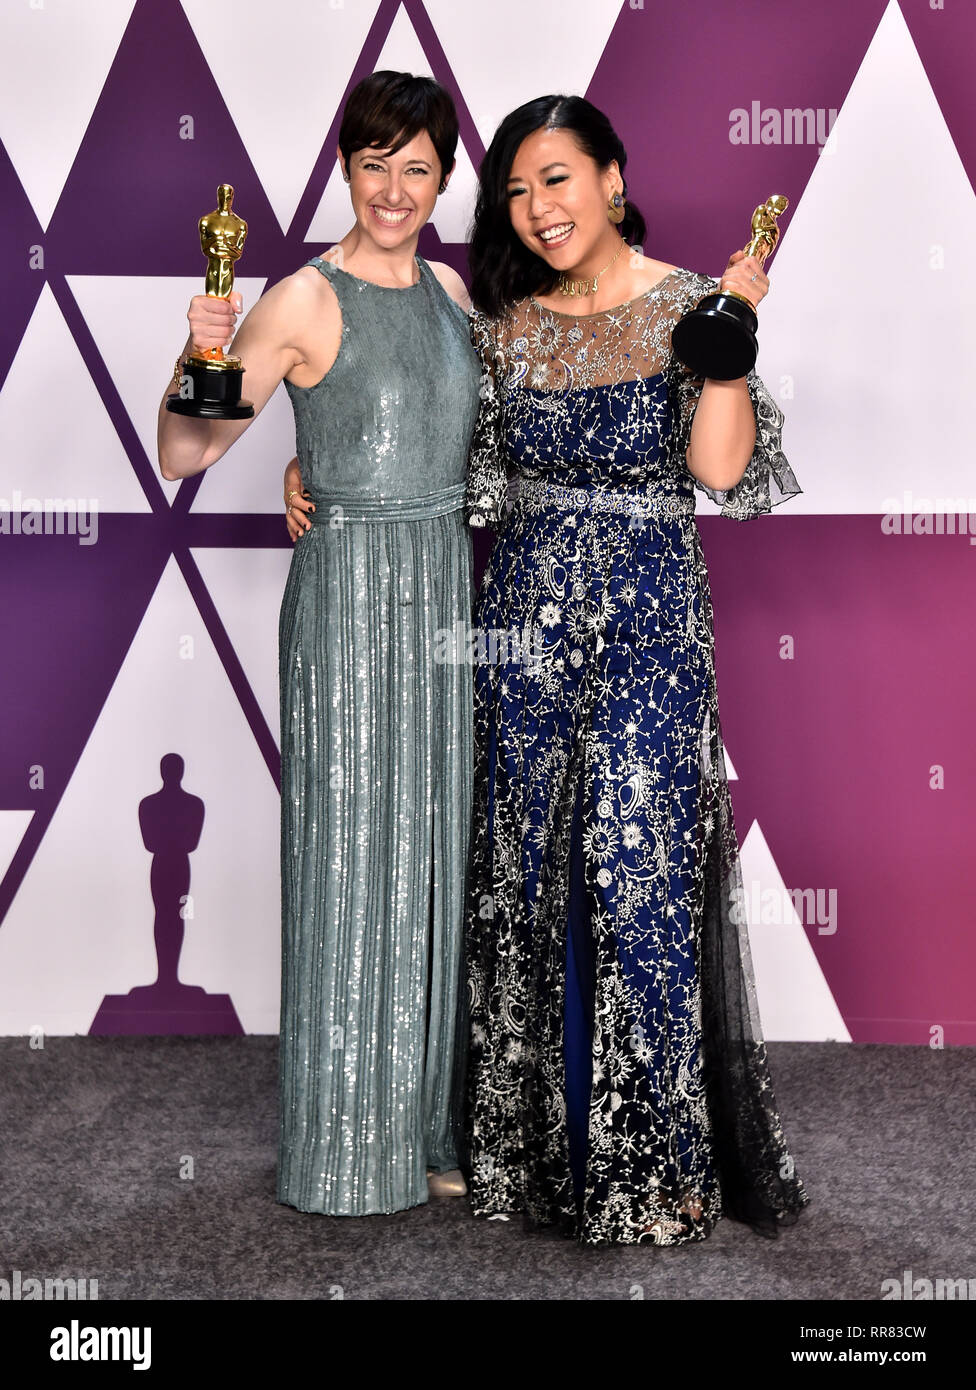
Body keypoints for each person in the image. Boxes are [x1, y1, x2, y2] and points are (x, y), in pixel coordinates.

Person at [462, 94, 810, 1245]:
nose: (535, 208)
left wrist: (728, 333)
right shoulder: (504, 326)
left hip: (652, 622)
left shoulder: (682, 306)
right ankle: (539, 1156)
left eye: (555, 179)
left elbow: (718, 469)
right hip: (522, 627)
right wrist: (302, 486)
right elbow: (440, 462)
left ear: (612, 178)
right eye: (516, 189)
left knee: (640, 864)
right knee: (530, 870)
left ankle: (652, 1162)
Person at [157, 71, 482, 1215]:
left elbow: (454, 439)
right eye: (374, 162)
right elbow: (186, 452)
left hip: (445, 590)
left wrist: (320, 463)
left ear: (445, 178)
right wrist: (203, 350)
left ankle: (431, 1125)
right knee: (352, 852)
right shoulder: (300, 295)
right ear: (344, 163)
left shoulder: (452, 288)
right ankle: (350, 1144)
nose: (393, 189)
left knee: (435, 847)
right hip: (348, 598)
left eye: (418, 168)